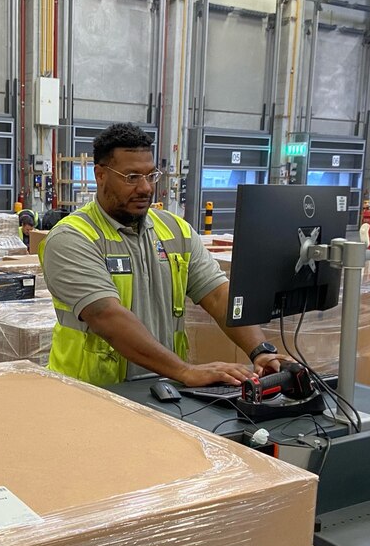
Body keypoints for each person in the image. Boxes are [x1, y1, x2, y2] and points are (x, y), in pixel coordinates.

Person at [39, 122, 288, 388]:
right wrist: (186, 371)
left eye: (150, 175)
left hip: (163, 388)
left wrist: (260, 350)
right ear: (100, 174)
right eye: (131, 177)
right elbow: (106, 316)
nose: (145, 188)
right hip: (91, 392)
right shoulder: (73, 238)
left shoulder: (175, 230)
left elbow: (216, 295)